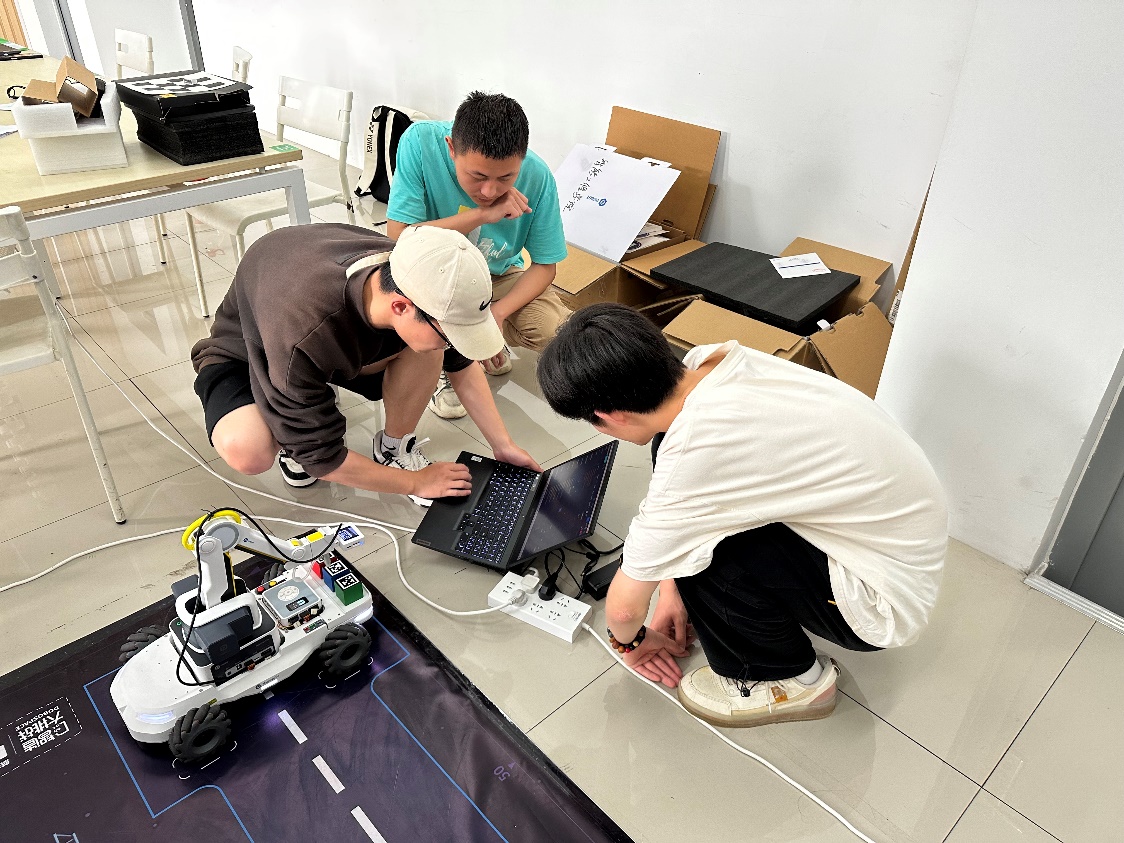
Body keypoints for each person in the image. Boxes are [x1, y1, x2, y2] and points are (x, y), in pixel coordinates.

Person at [536, 303, 947, 728]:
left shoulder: (697, 452)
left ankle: (792, 681)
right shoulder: (713, 361)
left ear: (610, 417)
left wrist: (631, 644)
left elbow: (623, 611)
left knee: (710, 554)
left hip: (881, 601)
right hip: (893, 539)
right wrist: (672, 589)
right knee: (674, 476)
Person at [191, 223, 539, 500]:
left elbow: (460, 365)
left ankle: (393, 448)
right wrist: (416, 483)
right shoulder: (303, 332)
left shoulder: (416, 274)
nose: (451, 344)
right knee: (248, 450)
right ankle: (289, 423)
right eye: (450, 334)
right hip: (246, 350)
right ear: (400, 307)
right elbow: (325, 460)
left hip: (317, 337)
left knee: (429, 346)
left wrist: (503, 446)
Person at [386, 91, 569, 420]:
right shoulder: (420, 142)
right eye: (478, 176)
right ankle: (447, 361)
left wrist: (497, 315)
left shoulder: (538, 176)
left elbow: (545, 266)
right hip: (430, 270)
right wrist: (483, 215)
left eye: (506, 178)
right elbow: (400, 237)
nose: (489, 191)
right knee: (411, 310)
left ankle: (479, 337)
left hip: (494, 274)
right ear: (451, 148)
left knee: (555, 330)